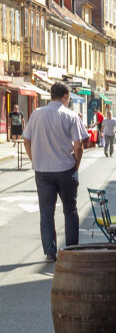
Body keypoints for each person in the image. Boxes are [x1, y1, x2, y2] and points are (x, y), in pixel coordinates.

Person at [22, 82, 88, 262]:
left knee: (46, 212)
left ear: (51, 95)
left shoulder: (36, 114)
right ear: (65, 97)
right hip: (66, 169)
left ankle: (50, 252)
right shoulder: (70, 115)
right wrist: (76, 164)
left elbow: (26, 140)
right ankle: (72, 249)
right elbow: (78, 145)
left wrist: (34, 159)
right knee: (70, 210)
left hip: (42, 171)